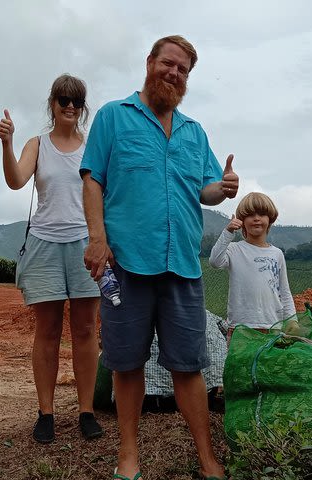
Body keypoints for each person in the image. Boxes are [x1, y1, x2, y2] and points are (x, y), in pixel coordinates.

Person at [80, 35, 236, 480]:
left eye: (183, 69)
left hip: (182, 265)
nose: (174, 73)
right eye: (168, 63)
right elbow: (93, 180)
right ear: (150, 63)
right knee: (127, 364)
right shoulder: (114, 116)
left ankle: (207, 458)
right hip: (127, 261)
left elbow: (205, 189)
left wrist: (222, 188)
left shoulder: (193, 131)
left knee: (188, 366)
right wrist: (97, 239)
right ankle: (128, 455)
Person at [0, 74, 103, 444]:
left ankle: (86, 410)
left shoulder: (92, 149)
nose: (70, 106)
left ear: (83, 107)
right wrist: (8, 144)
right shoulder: (37, 144)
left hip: (84, 245)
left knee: (87, 329)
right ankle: (46, 413)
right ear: (53, 104)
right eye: (63, 99)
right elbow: (15, 180)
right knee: (48, 330)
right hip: (44, 245)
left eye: (76, 100)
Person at [209, 192, 296, 334]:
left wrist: (292, 320)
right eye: (250, 215)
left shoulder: (277, 254)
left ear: (270, 218)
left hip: (273, 326)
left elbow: (284, 291)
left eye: (261, 214)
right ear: (242, 220)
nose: (256, 218)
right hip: (241, 327)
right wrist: (228, 231)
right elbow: (215, 261)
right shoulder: (234, 249)